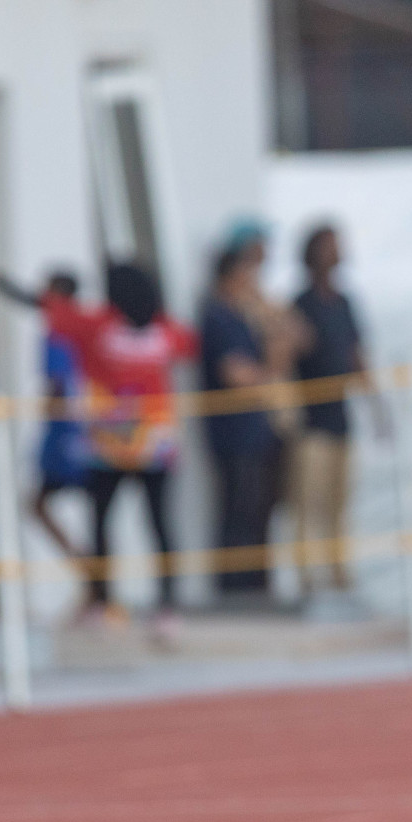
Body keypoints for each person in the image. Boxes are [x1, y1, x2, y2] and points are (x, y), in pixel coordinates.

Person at [41, 262, 195, 633]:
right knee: (157, 524)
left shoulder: (100, 326)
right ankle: (165, 605)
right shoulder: (164, 331)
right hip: (150, 441)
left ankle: (104, 601)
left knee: (105, 524)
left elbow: (55, 314)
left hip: (111, 442)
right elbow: (190, 345)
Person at [200, 228, 303, 597]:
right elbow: (237, 374)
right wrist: (272, 366)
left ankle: (257, 587)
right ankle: (236, 590)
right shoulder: (219, 316)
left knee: (259, 512)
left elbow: (295, 336)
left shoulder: (243, 314)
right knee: (238, 513)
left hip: (255, 431)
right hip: (234, 433)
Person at [0, 265, 89, 565]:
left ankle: (93, 581)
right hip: (74, 426)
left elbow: (59, 383)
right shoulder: (77, 323)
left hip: (67, 430)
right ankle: (91, 579)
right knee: (49, 504)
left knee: (43, 503)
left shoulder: (62, 329)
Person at [290, 225, 369, 596]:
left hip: (340, 418)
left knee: (339, 503)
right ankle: (308, 578)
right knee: (309, 502)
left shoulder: (344, 302)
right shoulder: (300, 303)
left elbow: (357, 354)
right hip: (310, 420)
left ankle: (339, 575)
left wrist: (376, 403)